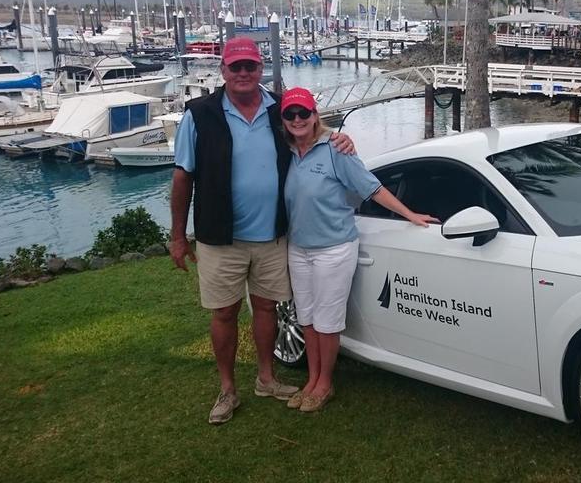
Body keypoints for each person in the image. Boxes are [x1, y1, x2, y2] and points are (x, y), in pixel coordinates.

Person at [169, 37, 355, 425]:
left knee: (267, 307)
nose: (242, 74)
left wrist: (341, 137)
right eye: (235, 67)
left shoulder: (279, 110)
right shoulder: (199, 115)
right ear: (223, 70)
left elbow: (310, 129)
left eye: (250, 67)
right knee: (224, 312)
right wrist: (177, 235)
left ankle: (266, 379)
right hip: (221, 237)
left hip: (272, 234)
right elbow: (183, 176)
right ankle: (227, 389)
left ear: (260, 70)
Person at [279, 87, 437, 413]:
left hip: (334, 247)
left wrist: (408, 214)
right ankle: (311, 379)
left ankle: (325, 383)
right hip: (299, 248)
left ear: (314, 115)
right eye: (290, 114)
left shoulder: (337, 149)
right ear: (283, 119)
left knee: (327, 319)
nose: (297, 120)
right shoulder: (286, 152)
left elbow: (371, 187)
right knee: (306, 316)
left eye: (303, 113)